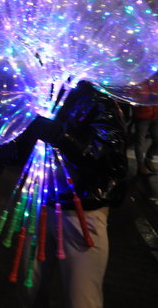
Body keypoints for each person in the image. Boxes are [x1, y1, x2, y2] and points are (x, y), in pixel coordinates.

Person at [19, 80, 128, 308]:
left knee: (81, 298)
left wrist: (62, 136)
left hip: (80, 213)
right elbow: (21, 152)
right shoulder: (42, 90)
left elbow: (110, 159)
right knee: (29, 289)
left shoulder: (98, 98)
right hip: (38, 203)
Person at [133, 101, 158, 175]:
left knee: (157, 139)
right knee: (140, 141)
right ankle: (140, 164)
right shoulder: (140, 88)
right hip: (142, 116)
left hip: (156, 115)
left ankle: (148, 159)